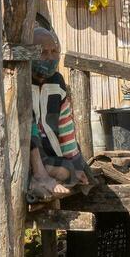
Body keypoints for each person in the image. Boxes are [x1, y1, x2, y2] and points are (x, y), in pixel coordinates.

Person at [28, 25, 91, 199]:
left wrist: (76, 164)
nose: (49, 57)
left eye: (54, 51)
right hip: (23, 153)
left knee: (70, 172)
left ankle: (41, 175)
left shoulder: (57, 82)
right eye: (42, 52)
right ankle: (37, 176)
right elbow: (26, 127)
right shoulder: (20, 79)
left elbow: (65, 128)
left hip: (48, 155)